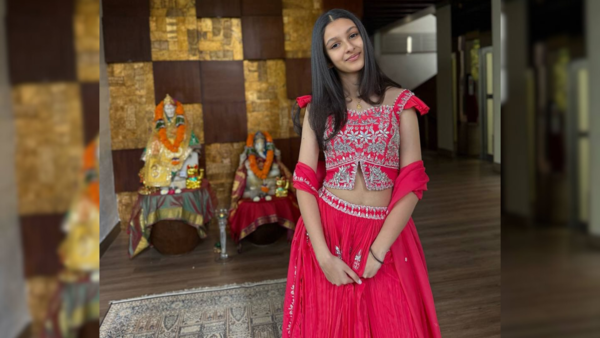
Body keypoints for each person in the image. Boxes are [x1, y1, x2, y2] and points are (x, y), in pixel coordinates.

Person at [282, 9, 442, 338]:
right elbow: (304, 181)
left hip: (387, 234)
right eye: (335, 44)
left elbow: (412, 183)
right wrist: (323, 256)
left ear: (364, 40)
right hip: (329, 231)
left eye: (353, 36)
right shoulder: (317, 107)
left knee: (394, 323)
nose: (349, 47)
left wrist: (379, 250)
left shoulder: (401, 103)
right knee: (330, 326)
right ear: (325, 57)